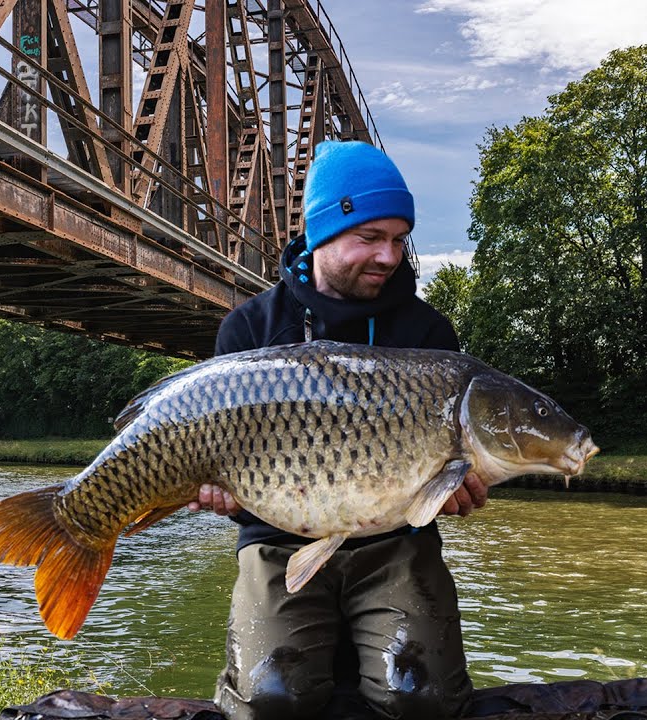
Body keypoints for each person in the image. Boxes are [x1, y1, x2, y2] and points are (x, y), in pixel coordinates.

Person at [195, 140, 487, 720]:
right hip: (277, 539)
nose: (389, 256)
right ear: (321, 233)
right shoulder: (250, 326)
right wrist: (218, 494)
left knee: (420, 700)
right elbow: (218, 463)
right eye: (370, 238)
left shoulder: (428, 333)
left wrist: (451, 492)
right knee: (270, 702)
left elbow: (438, 485)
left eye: (399, 240)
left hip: (394, 544)